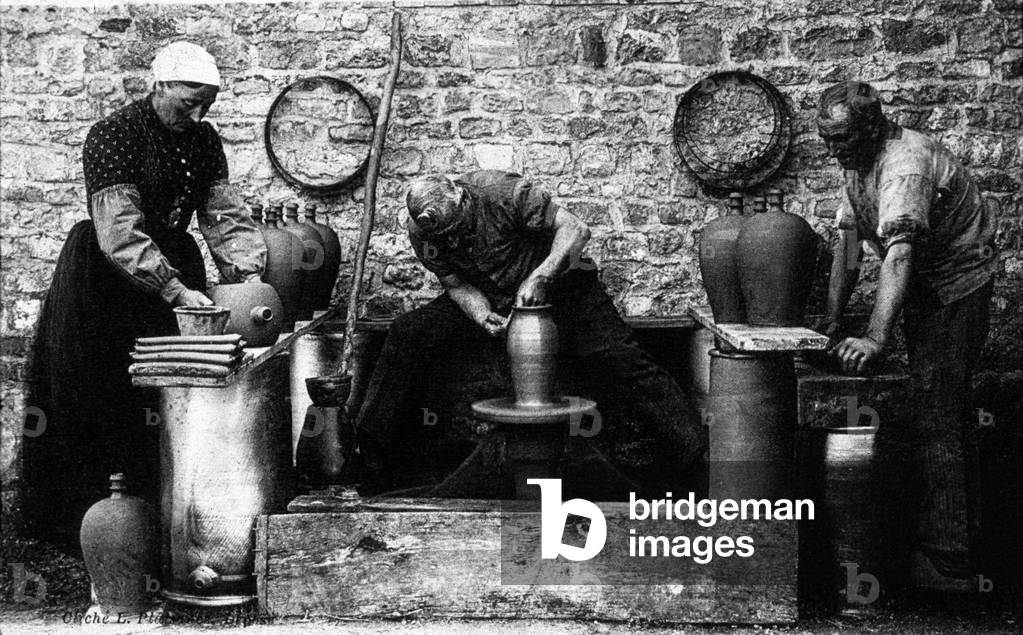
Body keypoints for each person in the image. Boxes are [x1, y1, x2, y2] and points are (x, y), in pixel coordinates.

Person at [21, 41, 267, 551]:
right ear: (160, 86)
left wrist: (248, 279)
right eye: (188, 102)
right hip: (109, 278)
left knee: (170, 393)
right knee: (107, 391)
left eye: (207, 104)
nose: (197, 114)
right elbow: (120, 234)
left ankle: (165, 521)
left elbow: (223, 217)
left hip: (173, 264)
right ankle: (93, 528)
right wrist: (176, 290)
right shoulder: (113, 136)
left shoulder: (203, 140)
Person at [348, 170, 706, 494]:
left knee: (620, 357)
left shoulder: (504, 194)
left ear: (462, 197)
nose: (452, 241)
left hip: (564, 287)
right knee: (407, 333)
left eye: (457, 230)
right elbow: (455, 284)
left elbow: (576, 230)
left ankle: (696, 459)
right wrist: (481, 314)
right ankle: (369, 461)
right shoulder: (423, 230)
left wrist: (541, 276)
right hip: (494, 296)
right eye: (445, 237)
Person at [814, 81, 998, 590]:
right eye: (826, 140)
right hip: (925, 287)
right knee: (942, 409)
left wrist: (875, 337)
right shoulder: (858, 161)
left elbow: (899, 255)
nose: (833, 152)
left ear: (871, 128)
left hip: (956, 288)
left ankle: (950, 564)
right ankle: (953, 541)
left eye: (841, 141)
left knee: (937, 411)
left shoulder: (905, 166)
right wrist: (832, 319)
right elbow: (849, 243)